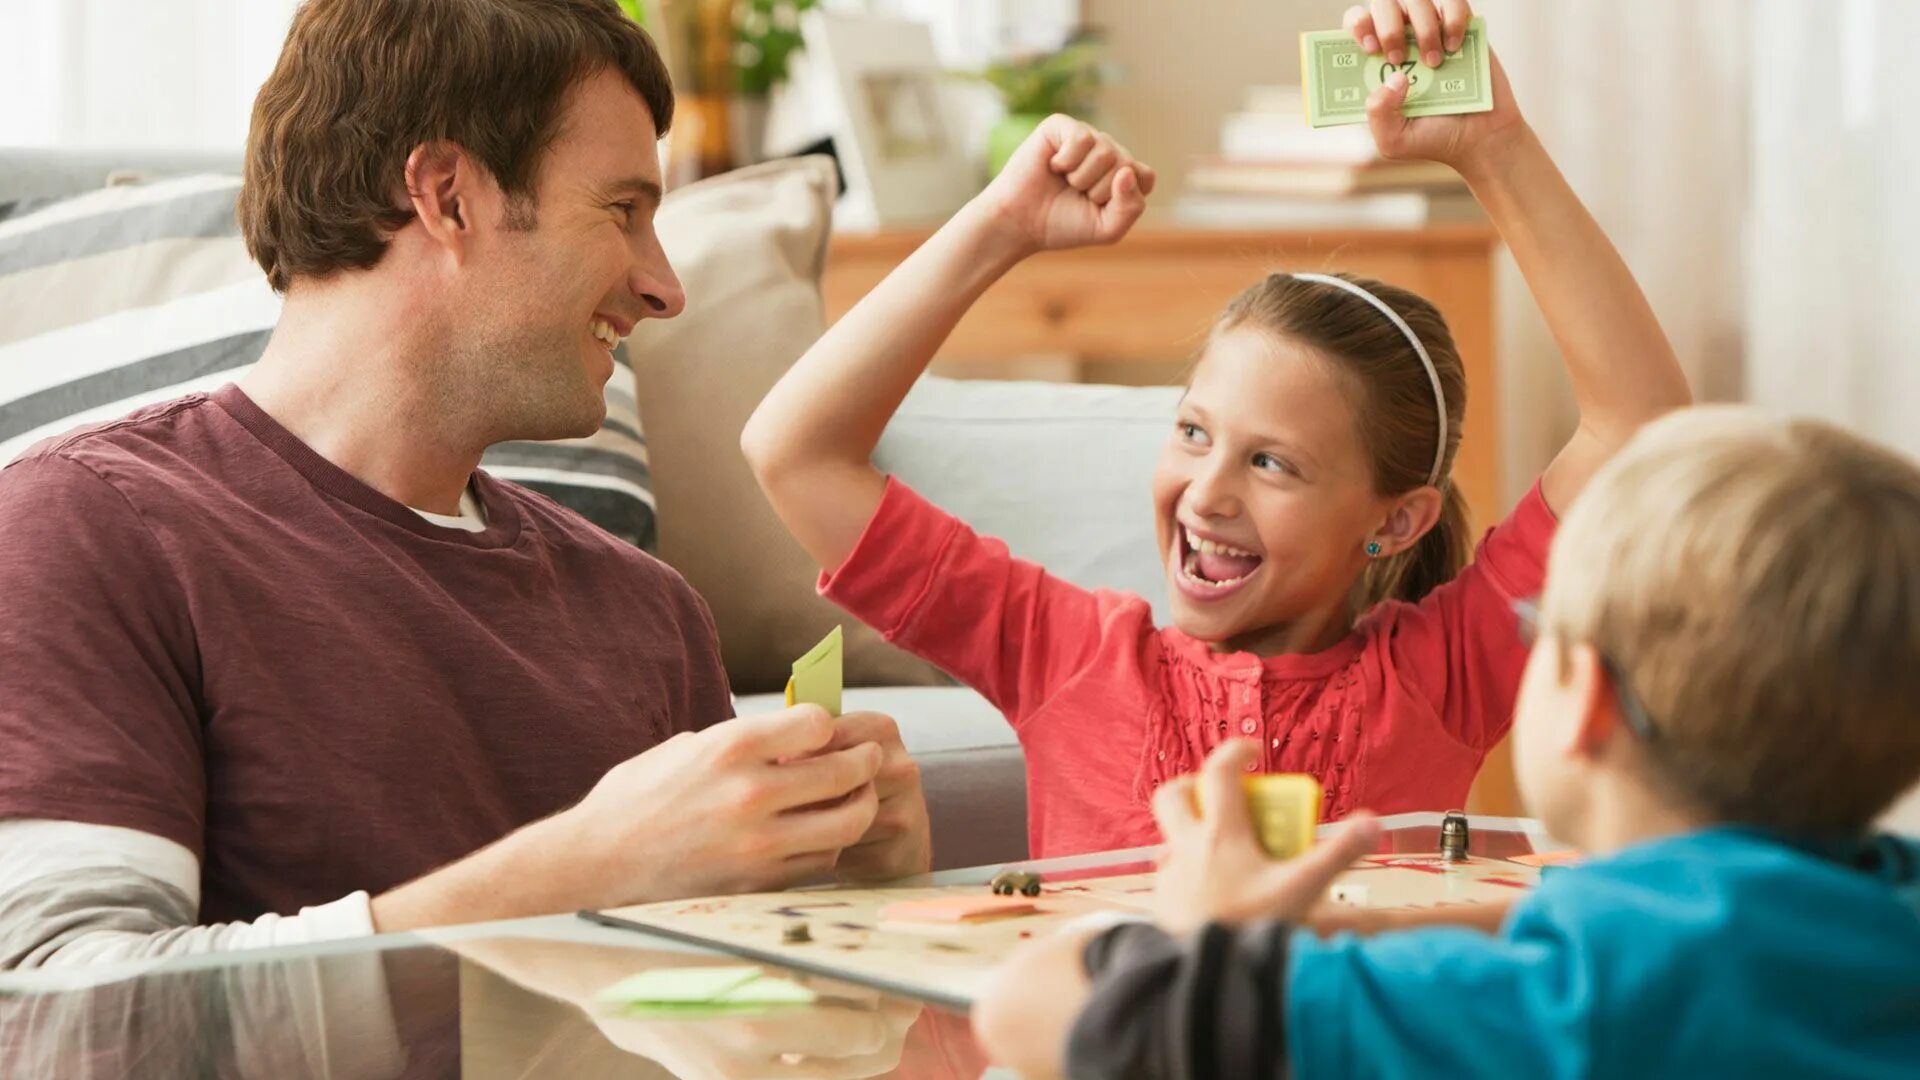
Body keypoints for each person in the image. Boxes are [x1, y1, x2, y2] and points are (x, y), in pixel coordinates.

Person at [0, 0, 928, 971]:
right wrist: (586, 870)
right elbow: (67, 1023)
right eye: (623, 211)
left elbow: (726, 1014)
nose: (665, 286)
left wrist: (865, 899)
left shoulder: (648, 615)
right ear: (447, 197)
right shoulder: (91, 529)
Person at [741, 0, 1689, 858]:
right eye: (1194, 433)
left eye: (1271, 462)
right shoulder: (1064, 653)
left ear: (1396, 521)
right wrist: (999, 226)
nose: (1207, 492)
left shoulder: (1443, 673)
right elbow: (793, 453)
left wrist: (1498, 150)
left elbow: (1642, 430)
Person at [973, 404, 1920, 1078]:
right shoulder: (1887, 905)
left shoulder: (1544, 1009)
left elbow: (1027, 1010)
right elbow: (1659, 926)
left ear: (1581, 696)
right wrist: (1357, 931)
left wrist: (1210, 932)